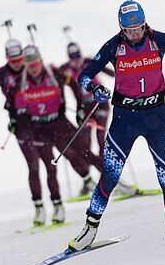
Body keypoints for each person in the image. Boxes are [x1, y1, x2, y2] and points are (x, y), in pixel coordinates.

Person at [68, 0, 165, 253]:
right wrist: (95, 88)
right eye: (129, 30)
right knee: (109, 177)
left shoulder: (159, 40)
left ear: (145, 24)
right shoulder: (114, 46)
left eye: (139, 28)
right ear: (121, 28)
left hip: (156, 118)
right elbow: (84, 76)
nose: (135, 34)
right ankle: (89, 229)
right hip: (124, 120)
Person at [0, 39, 63, 226]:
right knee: (33, 166)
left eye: (20, 59)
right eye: (12, 61)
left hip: (40, 124)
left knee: (50, 165)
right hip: (21, 127)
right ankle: (39, 209)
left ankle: (58, 205)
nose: (17, 64)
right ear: (6, 59)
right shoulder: (2, 74)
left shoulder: (33, 70)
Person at [12, 45, 102, 205]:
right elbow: (13, 103)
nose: (33, 68)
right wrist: (15, 120)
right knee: (64, 158)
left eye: (36, 63)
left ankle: (114, 181)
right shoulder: (21, 80)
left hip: (59, 122)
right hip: (39, 128)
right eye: (29, 65)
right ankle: (85, 184)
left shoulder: (53, 72)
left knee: (85, 151)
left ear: (40, 61)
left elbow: (74, 85)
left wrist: (80, 108)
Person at [58, 42, 115, 195]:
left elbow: (112, 72)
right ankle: (88, 182)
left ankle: (108, 178)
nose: (75, 60)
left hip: (100, 104)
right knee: (84, 143)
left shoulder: (90, 62)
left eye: (77, 56)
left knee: (101, 139)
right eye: (72, 57)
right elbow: (56, 82)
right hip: (84, 109)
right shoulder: (65, 69)